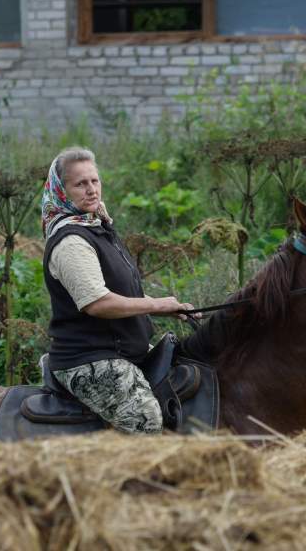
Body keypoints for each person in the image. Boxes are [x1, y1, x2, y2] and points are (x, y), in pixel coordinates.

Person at [41, 146, 195, 434]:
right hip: (89, 360)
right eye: (80, 184)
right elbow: (98, 303)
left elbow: (121, 292)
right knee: (146, 419)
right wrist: (157, 305)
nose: (91, 190)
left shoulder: (98, 227)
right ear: (62, 191)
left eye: (94, 181)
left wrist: (168, 307)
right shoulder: (70, 241)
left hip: (123, 351)